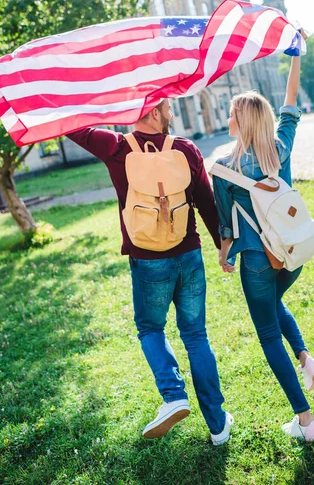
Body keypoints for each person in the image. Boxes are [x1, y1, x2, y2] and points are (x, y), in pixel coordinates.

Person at [67, 100, 233, 445]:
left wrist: (104, 104)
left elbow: (74, 126)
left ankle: (173, 396)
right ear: (155, 112)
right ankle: (217, 426)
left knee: (150, 328)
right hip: (188, 255)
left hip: (146, 259)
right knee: (196, 336)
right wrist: (222, 246)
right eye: (168, 108)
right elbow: (205, 201)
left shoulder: (115, 148)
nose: (171, 114)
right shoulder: (186, 149)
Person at [212, 42, 314, 442]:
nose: (227, 117)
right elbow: (291, 101)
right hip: (294, 251)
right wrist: (296, 55)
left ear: (240, 119)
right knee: (275, 305)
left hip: (258, 260)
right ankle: (307, 359)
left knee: (266, 332)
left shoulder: (224, 167)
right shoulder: (280, 147)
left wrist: (225, 256)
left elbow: (226, 225)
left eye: (231, 113)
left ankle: (306, 421)